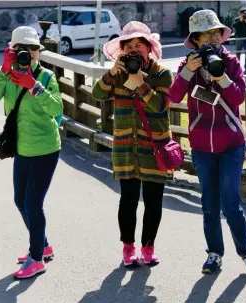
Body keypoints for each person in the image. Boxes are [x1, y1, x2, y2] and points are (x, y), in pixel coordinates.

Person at [168, 9, 246, 276]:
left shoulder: (231, 62)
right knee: (209, 204)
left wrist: (221, 75)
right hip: (201, 148)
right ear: (196, 39)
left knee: (231, 202)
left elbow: (237, 98)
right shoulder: (187, 65)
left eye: (216, 32)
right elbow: (173, 96)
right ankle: (214, 254)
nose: (213, 37)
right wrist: (188, 71)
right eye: (207, 33)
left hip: (231, 146)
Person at [0, 26, 63, 279]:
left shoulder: (47, 76)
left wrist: (33, 85)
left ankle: (37, 258)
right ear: (11, 51)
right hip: (21, 148)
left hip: (45, 148)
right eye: (19, 49)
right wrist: (3, 70)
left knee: (33, 203)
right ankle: (43, 244)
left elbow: (56, 109)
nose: (25, 54)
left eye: (30, 49)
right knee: (20, 201)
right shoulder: (7, 76)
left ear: (38, 53)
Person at [93, 21, 173, 267]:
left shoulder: (161, 73)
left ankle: (148, 246)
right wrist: (111, 73)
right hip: (126, 145)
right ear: (122, 51)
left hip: (154, 146)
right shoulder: (117, 73)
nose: (135, 50)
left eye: (140, 44)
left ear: (149, 48)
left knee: (153, 200)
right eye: (129, 46)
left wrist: (141, 83)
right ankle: (128, 247)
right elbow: (97, 94)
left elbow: (160, 106)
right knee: (127, 199)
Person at [233, 9, 246, 74]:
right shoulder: (237, 19)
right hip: (239, 38)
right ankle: (238, 68)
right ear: (240, 14)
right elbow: (234, 26)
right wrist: (240, 21)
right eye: (243, 14)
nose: (245, 15)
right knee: (238, 54)